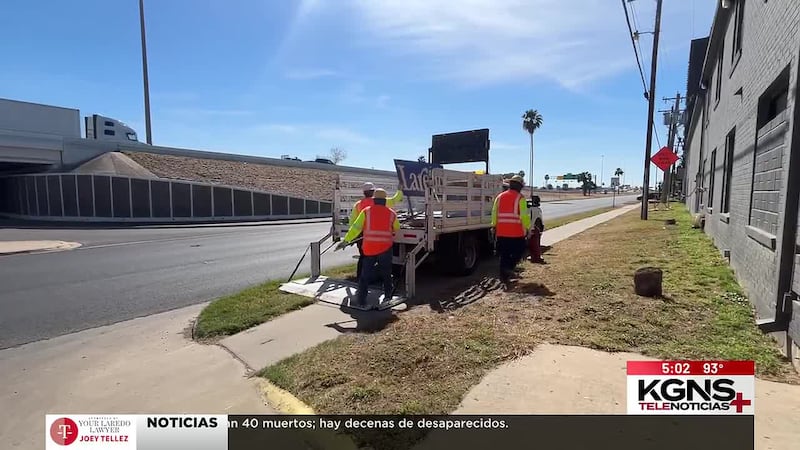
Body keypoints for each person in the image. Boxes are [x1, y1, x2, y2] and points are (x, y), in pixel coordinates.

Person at [337, 189, 400, 307]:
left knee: (365, 276)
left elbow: (356, 228)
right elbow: (397, 227)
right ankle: (387, 297)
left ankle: (361, 300)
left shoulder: (366, 212)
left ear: (374, 200)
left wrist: (346, 240)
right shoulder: (392, 213)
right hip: (385, 248)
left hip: (369, 249)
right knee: (386, 274)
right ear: (385, 201)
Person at [351, 182, 403, 282]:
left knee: (363, 258)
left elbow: (353, 221)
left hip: (363, 236)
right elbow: (395, 199)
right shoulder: (381, 202)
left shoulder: (358, 204)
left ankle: (360, 279)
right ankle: (382, 282)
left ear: (364, 192)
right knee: (381, 260)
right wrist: (399, 190)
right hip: (380, 237)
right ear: (373, 192)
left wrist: (353, 235)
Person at [491, 174, 530, 284]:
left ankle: (504, 277)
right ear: (520, 186)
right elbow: (524, 216)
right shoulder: (520, 198)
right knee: (519, 252)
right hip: (516, 233)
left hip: (501, 232)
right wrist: (527, 228)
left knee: (504, 255)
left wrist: (494, 225)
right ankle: (509, 269)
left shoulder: (500, 196)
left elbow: (494, 212)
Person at [527, 194, 546, 264]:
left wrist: (530, 230)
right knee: (535, 244)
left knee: (533, 244)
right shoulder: (537, 209)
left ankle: (536, 257)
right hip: (537, 228)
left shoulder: (531, 209)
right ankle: (534, 257)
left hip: (533, 228)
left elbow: (532, 220)